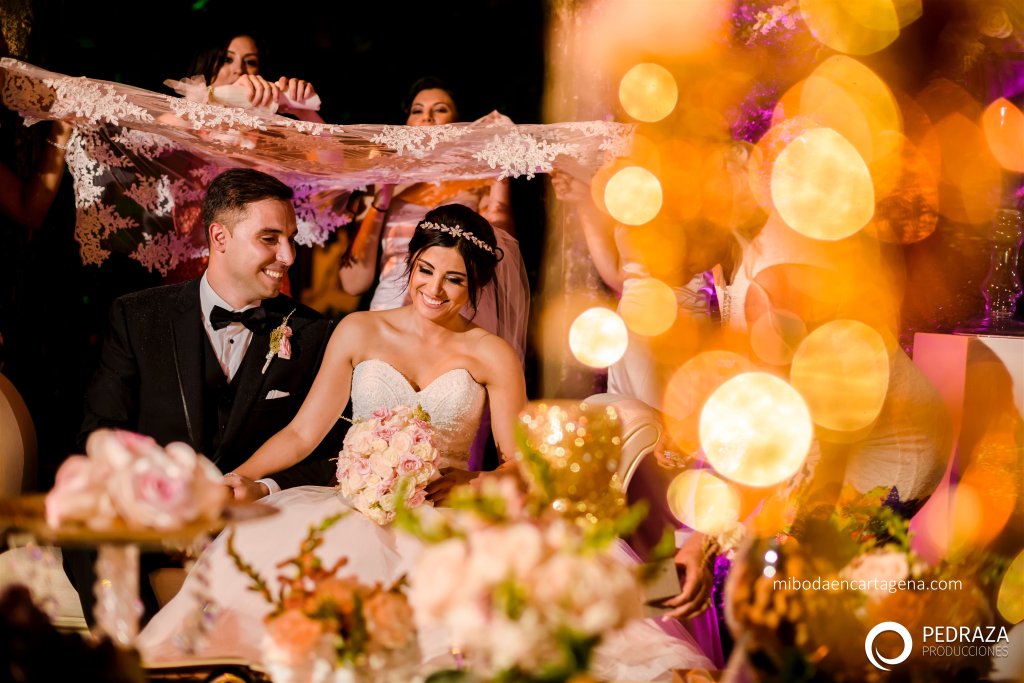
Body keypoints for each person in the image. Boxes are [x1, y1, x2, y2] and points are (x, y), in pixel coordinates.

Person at [139, 204, 714, 679]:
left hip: (449, 514)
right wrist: (241, 477)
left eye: (454, 279)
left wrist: (478, 483)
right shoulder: (359, 330)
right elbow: (301, 433)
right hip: (357, 511)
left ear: (476, 286)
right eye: (426, 270)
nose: (434, 289)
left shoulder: (491, 353)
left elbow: (519, 460)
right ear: (410, 265)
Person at [69, 168, 346, 621]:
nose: (288, 255)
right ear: (220, 237)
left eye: (291, 239)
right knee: (88, 533)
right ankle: (131, 651)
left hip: (256, 527)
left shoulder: (313, 332)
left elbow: (334, 453)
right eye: (270, 239)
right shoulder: (138, 317)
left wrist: (263, 487)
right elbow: (99, 435)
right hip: (151, 520)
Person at [338, 76, 528, 362]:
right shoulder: (381, 180)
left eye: (440, 109)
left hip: (450, 309)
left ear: (459, 123)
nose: (426, 117)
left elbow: (502, 254)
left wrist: (501, 170)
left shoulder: (478, 181)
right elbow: (353, 282)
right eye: (417, 110)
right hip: (389, 310)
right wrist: (384, 194)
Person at [182, 33, 323, 122]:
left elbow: (332, 159)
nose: (239, 70)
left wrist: (304, 112)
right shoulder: (184, 117)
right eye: (227, 59)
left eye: (250, 62)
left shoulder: (267, 127)